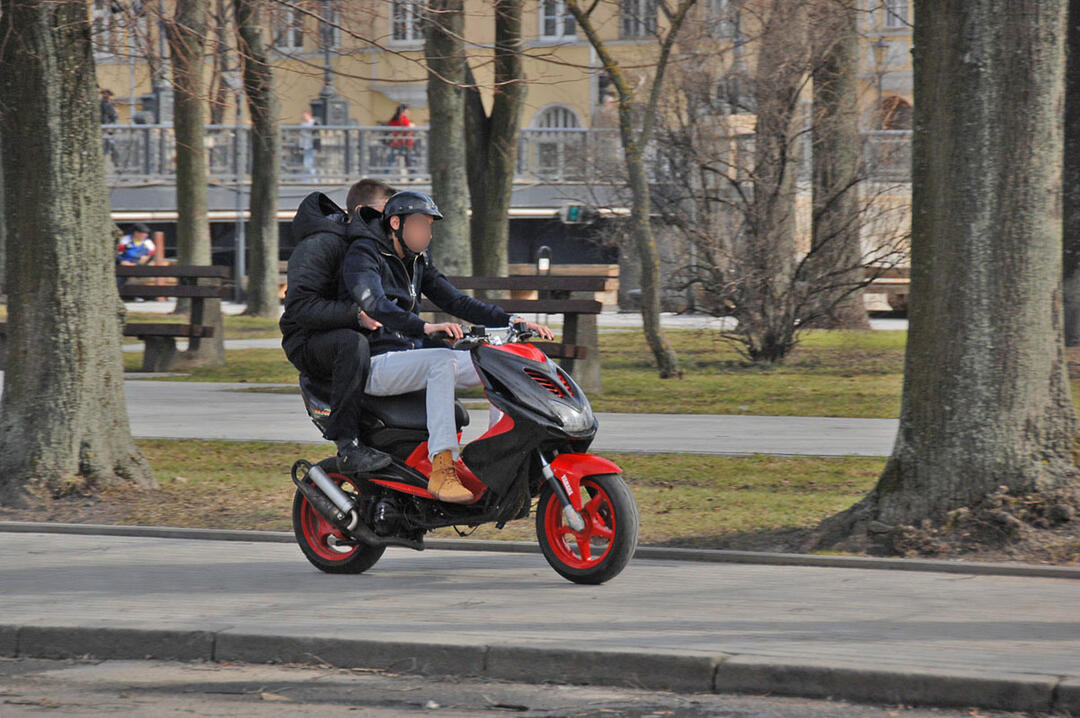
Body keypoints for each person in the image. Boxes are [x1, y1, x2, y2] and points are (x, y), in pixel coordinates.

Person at [340, 191, 554, 503]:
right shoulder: (364, 253)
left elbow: (455, 300)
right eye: (420, 226)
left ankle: (498, 457)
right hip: (376, 362)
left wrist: (511, 321)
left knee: (496, 361)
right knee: (441, 360)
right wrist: (424, 327)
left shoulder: (417, 261)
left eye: (429, 227)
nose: (427, 234)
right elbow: (374, 303)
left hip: (409, 358)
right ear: (396, 223)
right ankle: (442, 468)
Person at [280, 180, 398, 474]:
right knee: (351, 344)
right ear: (361, 211)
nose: (392, 222)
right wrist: (356, 315)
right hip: (308, 341)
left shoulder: (373, 248)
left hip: (350, 329)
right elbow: (300, 307)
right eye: (385, 213)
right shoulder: (322, 243)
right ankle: (349, 446)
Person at [386, 104, 414, 168]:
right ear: (404, 111)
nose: (409, 112)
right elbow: (408, 131)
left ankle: (386, 172)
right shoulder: (404, 119)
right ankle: (412, 174)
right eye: (408, 110)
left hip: (394, 142)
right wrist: (412, 127)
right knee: (408, 160)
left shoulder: (392, 120)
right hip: (405, 143)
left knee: (391, 159)